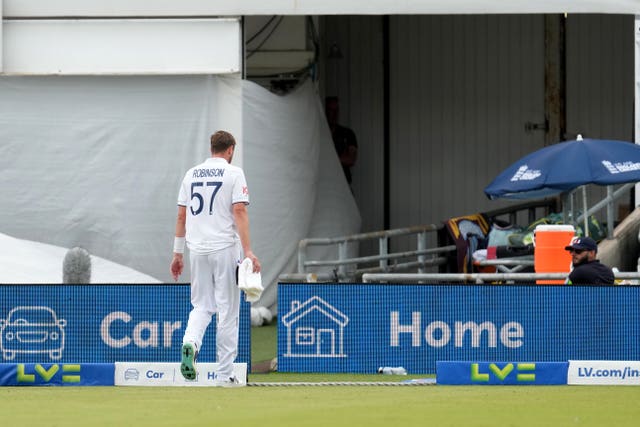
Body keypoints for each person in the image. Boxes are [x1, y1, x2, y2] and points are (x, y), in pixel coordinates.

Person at [170, 130, 261, 386]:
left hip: (196, 249)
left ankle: (190, 343)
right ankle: (225, 375)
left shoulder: (191, 174)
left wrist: (178, 253)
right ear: (230, 149)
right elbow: (239, 210)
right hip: (224, 248)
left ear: (212, 148)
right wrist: (248, 251)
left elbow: (181, 216)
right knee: (228, 312)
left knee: (201, 306)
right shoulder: (234, 173)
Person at [325, 96, 358, 185]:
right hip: (325, 185)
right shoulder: (320, 134)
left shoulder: (347, 133)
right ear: (325, 112)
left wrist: (329, 158)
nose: (335, 114)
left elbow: (351, 159)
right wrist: (341, 157)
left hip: (344, 184)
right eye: (331, 110)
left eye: (337, 110)